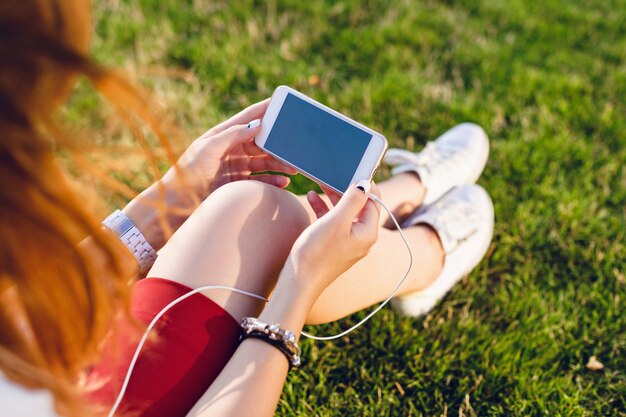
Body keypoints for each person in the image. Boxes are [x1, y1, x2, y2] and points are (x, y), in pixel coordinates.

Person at [0, 1, 494, 416]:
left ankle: (397, 198)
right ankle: (427, 251)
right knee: (281, 240)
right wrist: (296, 293)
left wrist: (167, 202)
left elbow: (18, 324)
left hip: (50, 377)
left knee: (250, 211)